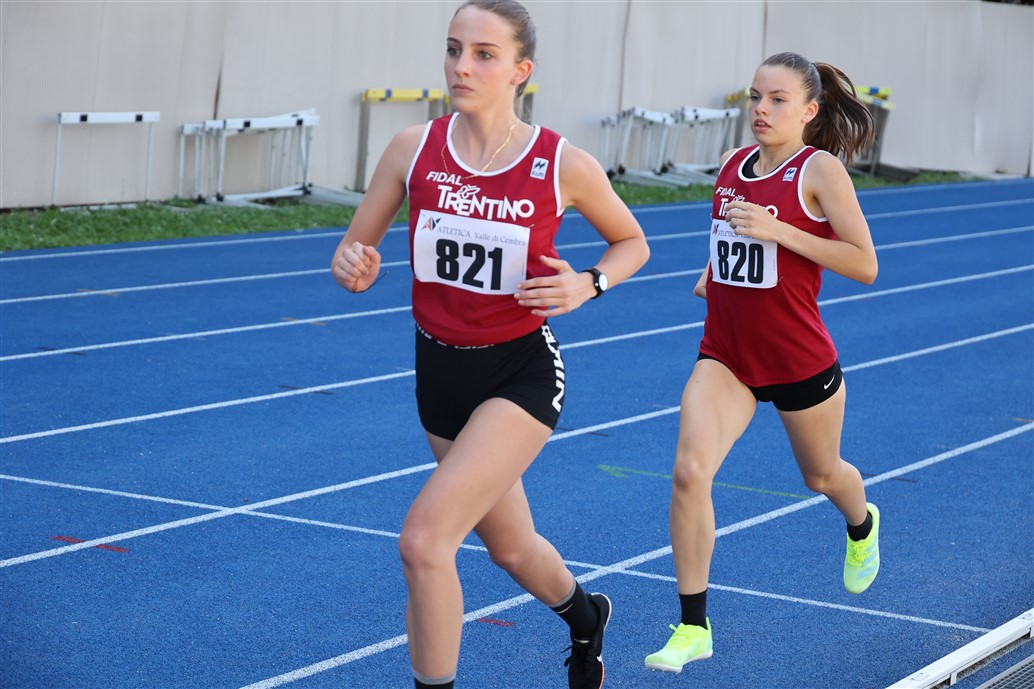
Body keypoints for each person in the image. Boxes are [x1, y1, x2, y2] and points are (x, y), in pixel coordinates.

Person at [331, 2, 649, 687]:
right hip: (439, 375)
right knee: (510, 546)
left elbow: (633, 242)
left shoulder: (560, 162)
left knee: (424, 542)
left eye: (483, 54)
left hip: (520, 373)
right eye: (454, 49)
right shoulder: (412, 148)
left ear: (520, 70)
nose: (461, 66)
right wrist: (354, 264)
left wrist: (587, 283)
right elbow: (354, 252)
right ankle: (587, 616)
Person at [643, 51, 881, 673]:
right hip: (727, 356)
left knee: (822, 477)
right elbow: (734, 238)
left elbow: (864, 263)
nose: (761, 109)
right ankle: (693, 626)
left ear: (808, 111)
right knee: (689, 473)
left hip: (798, 358)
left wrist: (780, 231)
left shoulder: (820, 170)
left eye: (777, 99)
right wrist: (714, 270)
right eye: (755, 96)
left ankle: (861, 523)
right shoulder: (731, 165)